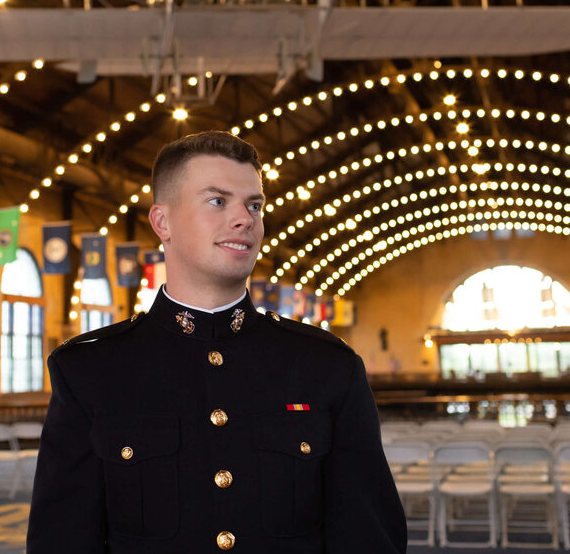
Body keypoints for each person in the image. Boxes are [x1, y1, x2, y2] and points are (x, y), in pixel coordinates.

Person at [27, 131, 406, 553]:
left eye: (254, 205)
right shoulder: (90, 371)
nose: (245, 218)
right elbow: (60, 542)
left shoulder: (327, 367)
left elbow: (369, 539)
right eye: (217, 201)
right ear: (162, 222)